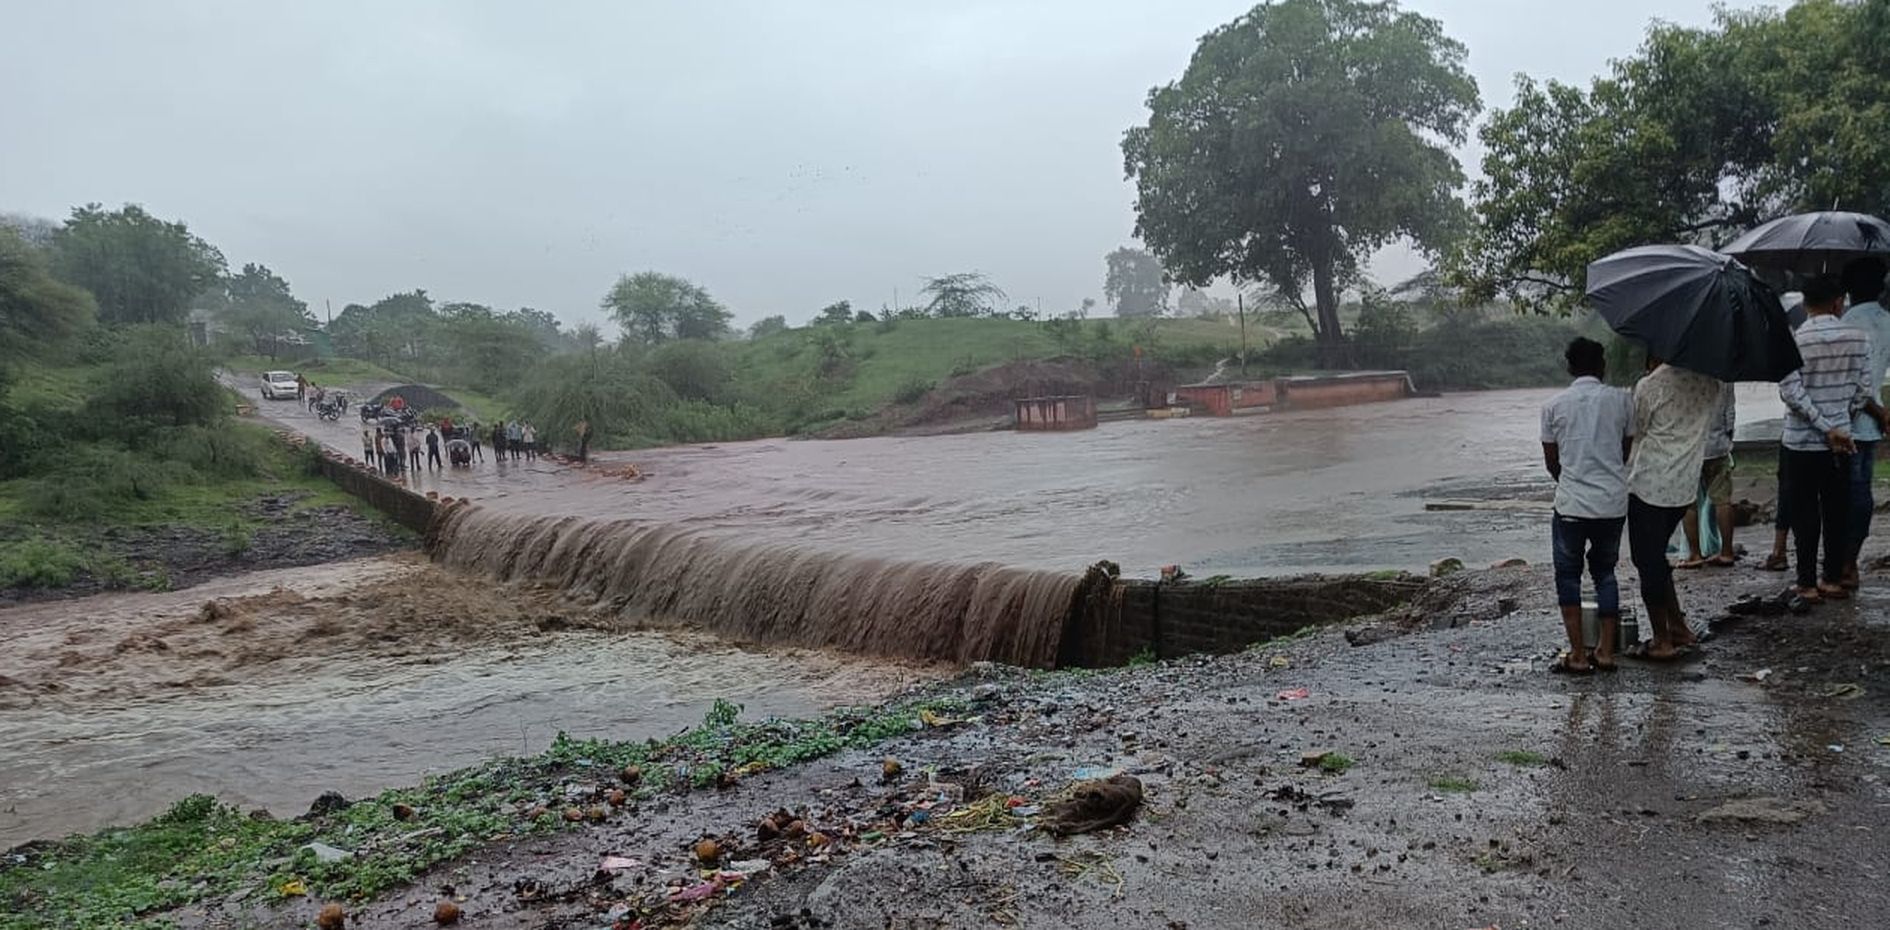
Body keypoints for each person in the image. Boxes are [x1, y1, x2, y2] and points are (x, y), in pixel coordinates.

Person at [1778, 274, 1886, 602]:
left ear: (1805, 303)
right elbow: (1864, 390)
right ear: (1838, 303)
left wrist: (1822, 425)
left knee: (1804, 512)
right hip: (1842, 440)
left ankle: (1807, 583)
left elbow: (1790, 392)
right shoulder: (1858, 339)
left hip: (1800, 443)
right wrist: (1839, 421)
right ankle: (1832, 579)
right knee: (1837, 510)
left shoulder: (1794, 341)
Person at [1540, 337, 1635, 673]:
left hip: (1571, 505)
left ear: (1569, 367)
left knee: (1568, 576)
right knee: (1605, 573)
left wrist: (1570, 481)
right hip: (1611, 503)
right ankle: (1606, 652)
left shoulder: (1553, 406)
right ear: (1602, 365)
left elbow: (1551, 461)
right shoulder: (1622, 400)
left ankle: (1578, 654)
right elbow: (1625, 451)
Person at [1627, 353, 1723, 660]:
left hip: (1650, 484)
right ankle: (1678, 627)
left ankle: (1662, 640)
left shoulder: (1650, 385)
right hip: (1684, 485)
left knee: (1647, 561)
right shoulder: (1711, 382)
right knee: (1655, 556)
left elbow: (1637, 431)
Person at [1841, 257, 1890, 588]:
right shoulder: (1887, 322)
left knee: (1844, 495)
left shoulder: (1845, 324)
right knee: (1861, 492)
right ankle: (1850, 560)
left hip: (1844, 424)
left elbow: (1852, 383)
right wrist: (1882, 412)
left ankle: (1842, 563)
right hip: (1872, 427)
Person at [1679, 383, 1738, 568]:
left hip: (1690, 447)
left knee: (1689, 503)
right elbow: (1730, 413)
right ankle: (1727, 552)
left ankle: (1695, 554)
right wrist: (1726, 439)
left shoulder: (1683, 374)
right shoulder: (1725, 375)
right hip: (1718, 446)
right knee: (1723, 501)